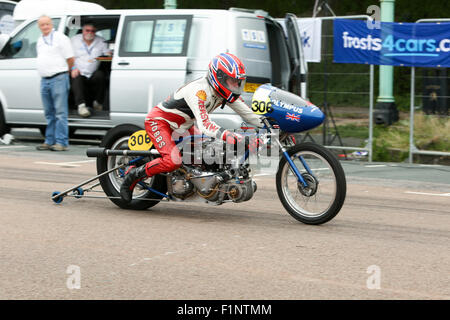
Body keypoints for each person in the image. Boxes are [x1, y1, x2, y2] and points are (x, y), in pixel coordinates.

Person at [120, 52, 263, 203]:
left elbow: (250, 115)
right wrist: (231, 136)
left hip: (183, 126)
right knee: (172, 161)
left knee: (206, 153)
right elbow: (205, 125)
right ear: (219, 77)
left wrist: (272, 124)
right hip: (160, 122)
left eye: (238, 82)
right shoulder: (199, 91)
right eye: (232, 81)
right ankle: (133, 176)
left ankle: (196, 183)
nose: (235, 86)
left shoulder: (224, 92)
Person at [36, 15, 74, 151]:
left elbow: (70, 58)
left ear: (51, 24)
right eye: (42, 25)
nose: (45, 27)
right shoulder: (40, 40)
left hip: (58, 78)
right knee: (49, 113)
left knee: (60, 113)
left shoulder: (60, 38)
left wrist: (64, 72)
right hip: (44, 79)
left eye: (47, 24)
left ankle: (62, 142)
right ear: (39, 27)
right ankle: (49, 140)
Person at [70, 22, 111, 118]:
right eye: (87, 30)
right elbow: (69, 56)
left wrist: (108, 55)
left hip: (93, 73)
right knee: (76, 77)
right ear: (83, 31)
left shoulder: (101, 41)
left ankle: (98, 103)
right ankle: (81, 106)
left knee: (100, 75)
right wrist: (73, 68)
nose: (90, 33)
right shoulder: (74, 40)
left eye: (92, 31)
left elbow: (108, 56)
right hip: (78, 71)